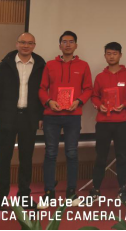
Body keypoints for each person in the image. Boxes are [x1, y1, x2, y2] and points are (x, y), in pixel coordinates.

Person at [0, 33, 46, 213]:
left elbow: (44, 92)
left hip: (29, 117)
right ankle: (0, 197)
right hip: (7, 117)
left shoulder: (41, 65)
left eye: (29, 43)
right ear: (17, 44)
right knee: (4, 158)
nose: (26, 45)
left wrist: (41, 116)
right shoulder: (5, 64)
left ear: (34, 45)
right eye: (22, 42)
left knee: (26, 159)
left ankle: (24, 196)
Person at [37, 31, 93, 209]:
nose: (68, 44)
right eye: (64, 42)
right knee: (50, 153)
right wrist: (48, 101)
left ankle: (71, 193)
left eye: (71, 42)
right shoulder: (50, 65)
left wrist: (78, 101)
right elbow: (42, 88)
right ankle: (48, 193)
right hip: (51, 116)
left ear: (76, 45)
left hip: (73, 116)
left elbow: (88, 89)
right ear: (59, 45)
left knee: (72, 153)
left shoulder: (83, 65)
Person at [90, 42, 126, 204]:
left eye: (114, 53)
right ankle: (95, 190)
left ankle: (122, 189)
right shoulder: (100, 77)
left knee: (122, 157)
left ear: (120, 55)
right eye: (108, 53)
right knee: (100, 157)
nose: (111, 56)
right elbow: (94, 96)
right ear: (105, 56)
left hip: (122, 122)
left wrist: (125, 104)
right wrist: (99, 105)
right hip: (103, 122)